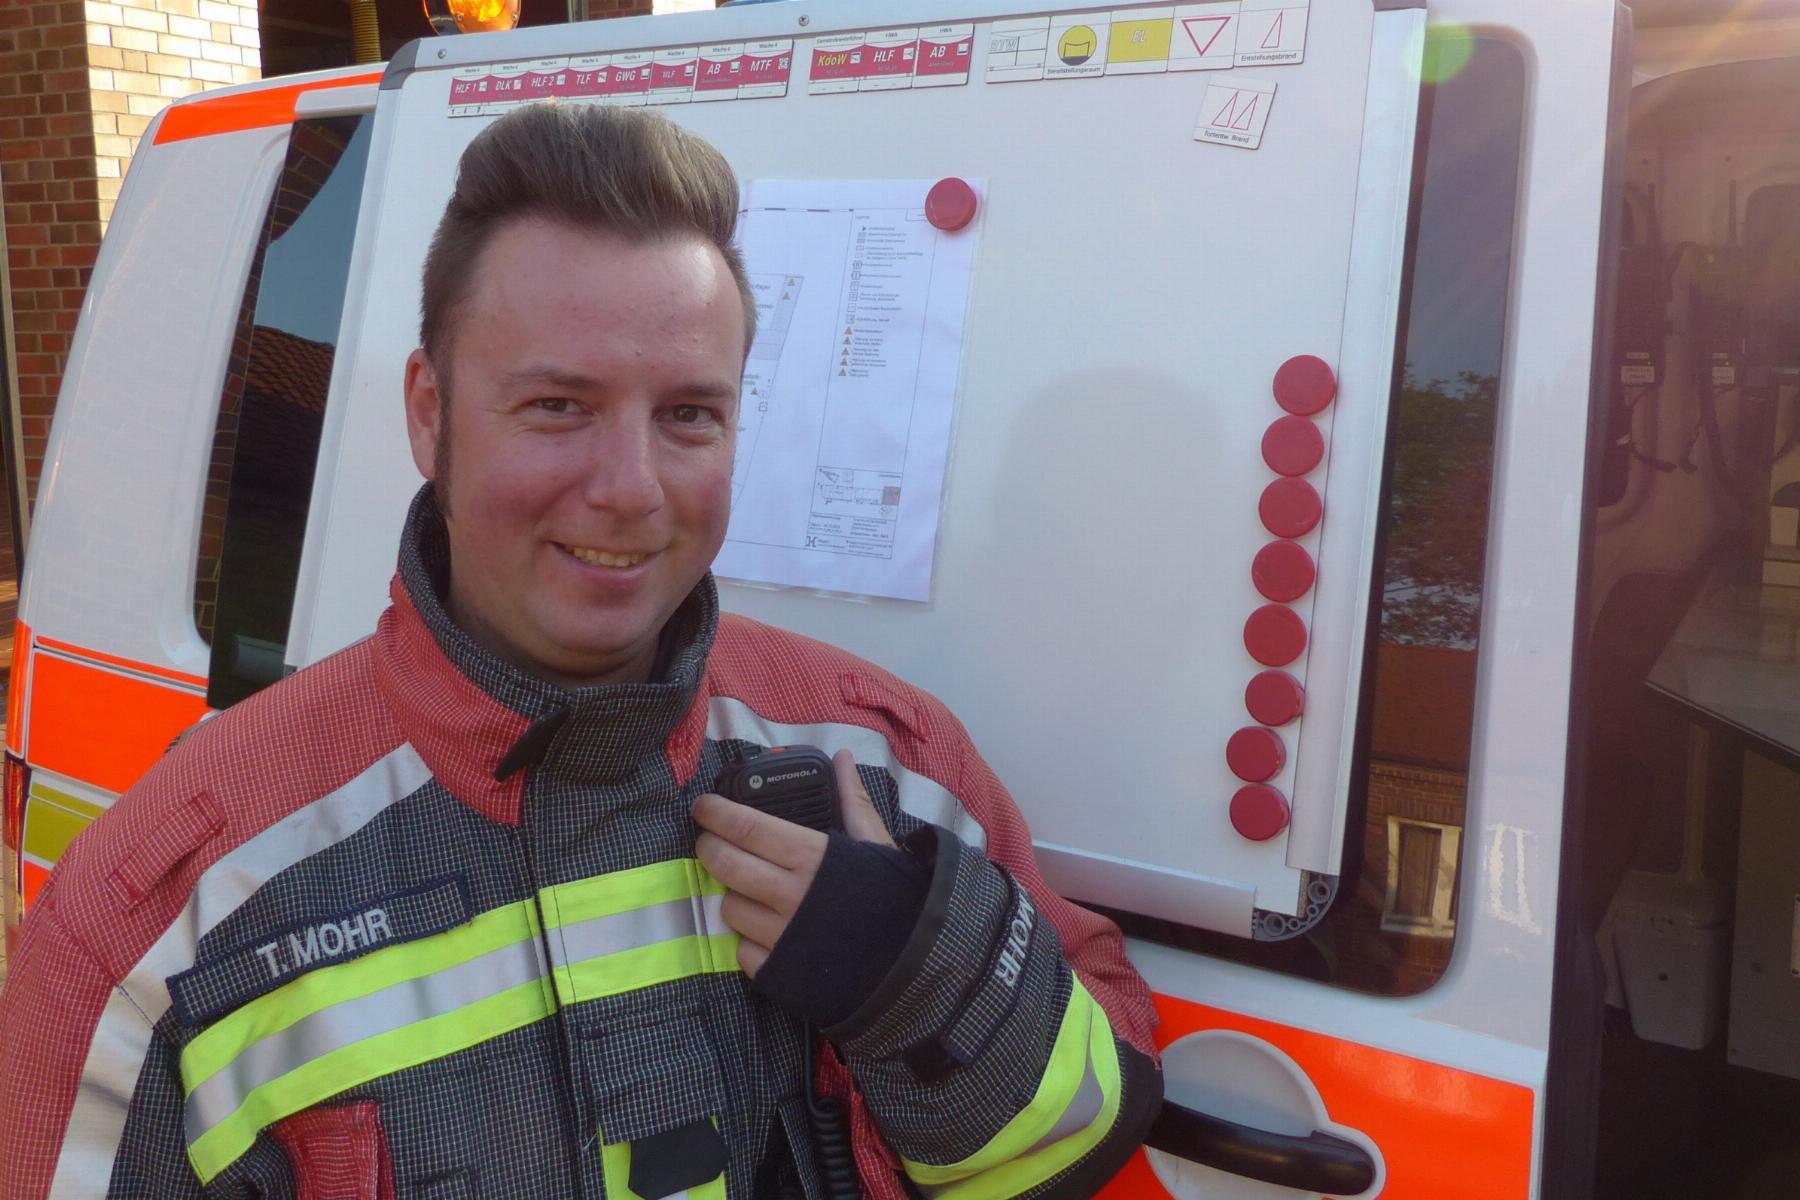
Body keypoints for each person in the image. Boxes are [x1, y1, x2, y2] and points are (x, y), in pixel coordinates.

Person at [0, 103, 1161, 1199]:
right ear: (429, 413)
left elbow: (1093, 1114)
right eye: (559, 405)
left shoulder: (886, 757)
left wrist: (922, 981)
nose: (631, 489)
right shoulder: (167, 913)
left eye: (688, 414)